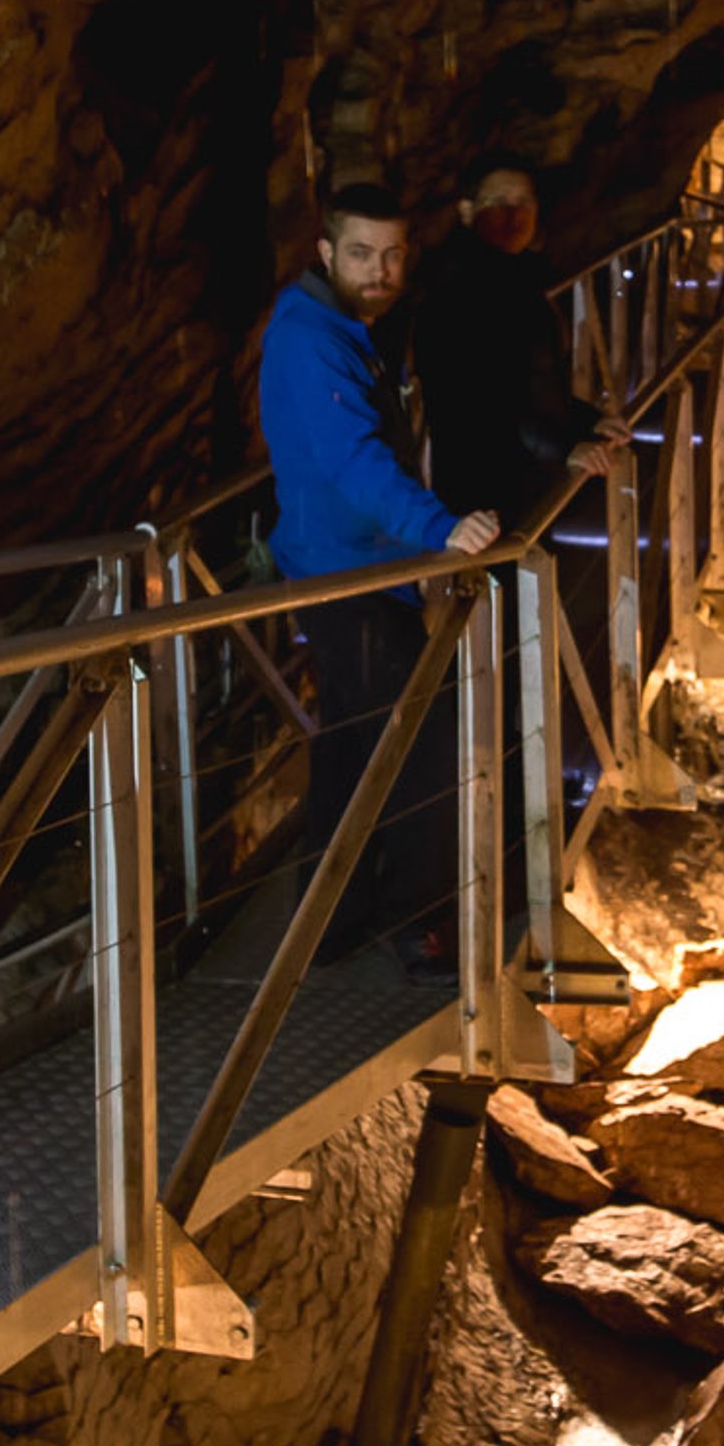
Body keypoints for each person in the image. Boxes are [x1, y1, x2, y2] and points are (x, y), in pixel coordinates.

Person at [258, 183, 490, 971]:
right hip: (347, 579)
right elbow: (356, 459)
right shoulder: (313, 339)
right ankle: (415, 925)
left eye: (393, 255)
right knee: (413, 744)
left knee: (357, 751)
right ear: (325, 253)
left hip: (359, 569)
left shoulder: (346, 326)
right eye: (361, 253)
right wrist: (440, 529)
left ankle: (330, 925)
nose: (380, 269)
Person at [407, 159, 620, 520]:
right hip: (486, 482)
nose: (513, 214)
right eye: (498, 201)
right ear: (466, 210)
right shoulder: (455, 289)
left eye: (523, 202)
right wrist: (563, 445)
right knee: (505, 571)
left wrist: (586, 420)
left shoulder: (521, 276)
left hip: (529, 472)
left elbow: (530, 380)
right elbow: (477, 397)